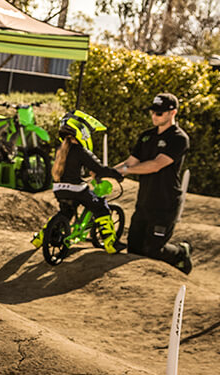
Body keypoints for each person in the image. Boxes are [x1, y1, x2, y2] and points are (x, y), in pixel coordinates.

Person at [114, 93, 192, 274]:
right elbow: (130, 162)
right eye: (152, 112)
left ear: (173, 113)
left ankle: (181, 252)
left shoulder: (179, 138)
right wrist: (107, 171)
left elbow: (156, 165)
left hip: (165, 204)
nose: (154, 116)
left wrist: (125, 171)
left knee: (153, 251)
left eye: (159, 113)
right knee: (134, 250)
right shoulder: (146, 136)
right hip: (144, 202)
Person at [32, 111, 124, 253]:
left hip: (59, 189)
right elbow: (99, 168)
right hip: (76, 190)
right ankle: (111, 244)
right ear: (82, 131)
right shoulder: (80, 150)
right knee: (101, 207)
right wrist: (117, 174)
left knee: (65, 214)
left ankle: (39, 239)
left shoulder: (60, 149)